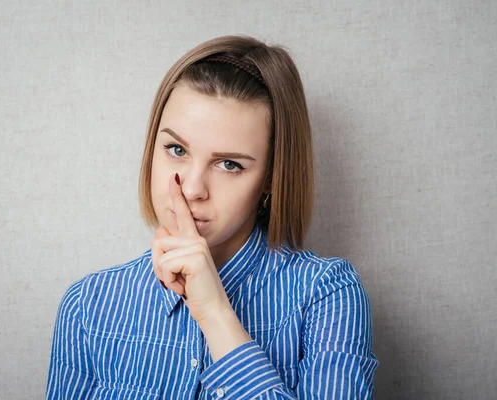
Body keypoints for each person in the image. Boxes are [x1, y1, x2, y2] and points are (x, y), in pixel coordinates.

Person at [46, 35, 378, 399]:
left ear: (271, 176)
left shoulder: (326, 294)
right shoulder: (88, 306)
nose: (191, 189)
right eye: (176, 149)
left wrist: (215, 313)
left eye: (229, 164)